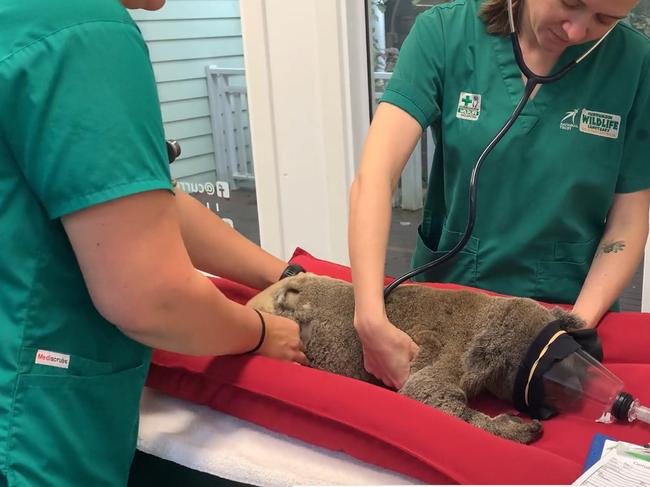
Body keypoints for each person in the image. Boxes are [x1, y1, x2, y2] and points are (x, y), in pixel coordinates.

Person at [0, 0, 305, 485]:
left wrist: (284, 276)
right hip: (29, 429)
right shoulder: (82, 31)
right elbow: (153, 298)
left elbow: (134, 197)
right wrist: (261, 332)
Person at [348, 0, 650, 390]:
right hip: (444, 310)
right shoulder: (443, 34)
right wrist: (370, 318)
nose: (576, 30)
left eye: (604, 20)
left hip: (564, 316)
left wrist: (572, 329)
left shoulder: (634, 64)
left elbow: (629, 219)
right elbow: (375, 176)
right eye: (570, 3)